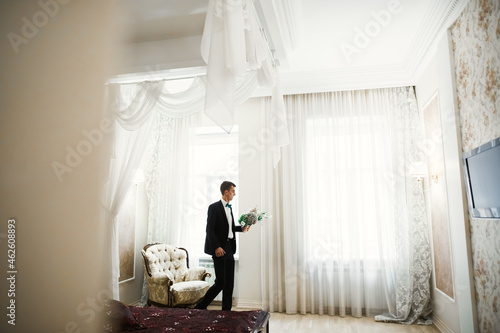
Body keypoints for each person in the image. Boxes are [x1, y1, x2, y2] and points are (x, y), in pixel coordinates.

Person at [195, 181, 250, 311]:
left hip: (230, 247)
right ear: (226, 192)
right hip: (219, 248)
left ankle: (227, 311)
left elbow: (229, 228)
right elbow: (210, 230)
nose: (234, 194)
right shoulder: (213, 207)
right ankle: (200, 307)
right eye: (233, 191)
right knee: (220, 283)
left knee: (229, 283)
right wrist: (216, 247)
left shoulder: (229, 208)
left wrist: (241, 229)